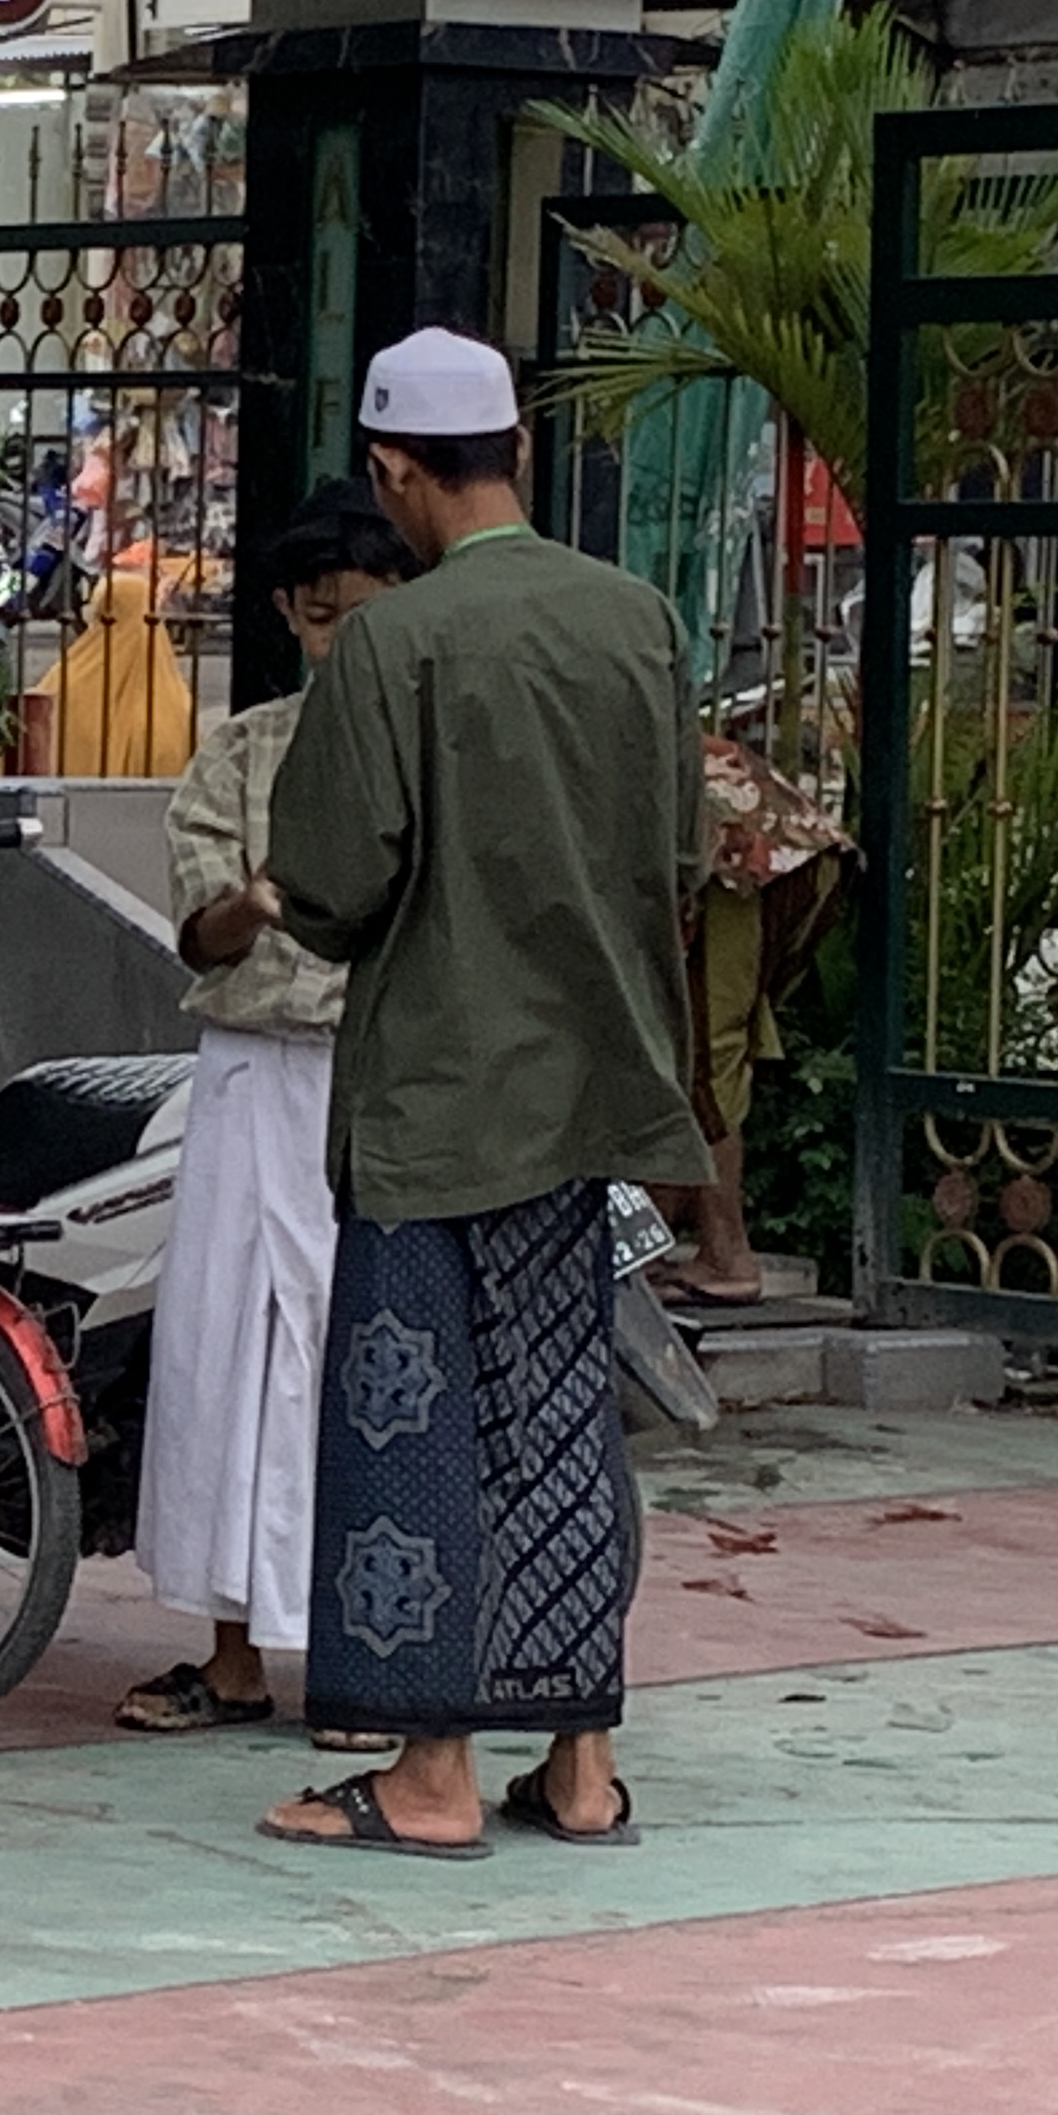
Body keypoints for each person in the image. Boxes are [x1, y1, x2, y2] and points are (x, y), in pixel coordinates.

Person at [250, 328, 713, 1858]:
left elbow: (332, 883)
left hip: (438, 1097)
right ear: (514, 446)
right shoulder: (637, 621)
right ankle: (581, 1768)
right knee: (564, 1422)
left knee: (415, 1427)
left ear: (394, 471)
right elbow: (682, 854)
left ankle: (430, 1776)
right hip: (592, 1091)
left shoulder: (395, 644)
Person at [119, 480, 412, 1742]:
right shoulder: (243, 751)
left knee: (355, 1363)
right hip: (252, 1076)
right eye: (321, 615)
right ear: (291, 615)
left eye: (364, 614)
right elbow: (199, 931)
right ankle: (232, 1655)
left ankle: (362, 1655)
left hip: (376, 1081)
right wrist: (254, 903)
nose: (340, 638)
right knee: (229, 1356)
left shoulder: (434, 749)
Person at [657, 734, 852, 1308]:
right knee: (698, 1046)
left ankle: (727, 1255)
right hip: (778, 855)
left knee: (701, 1056)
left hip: (741, 863)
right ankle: (667, 1239)